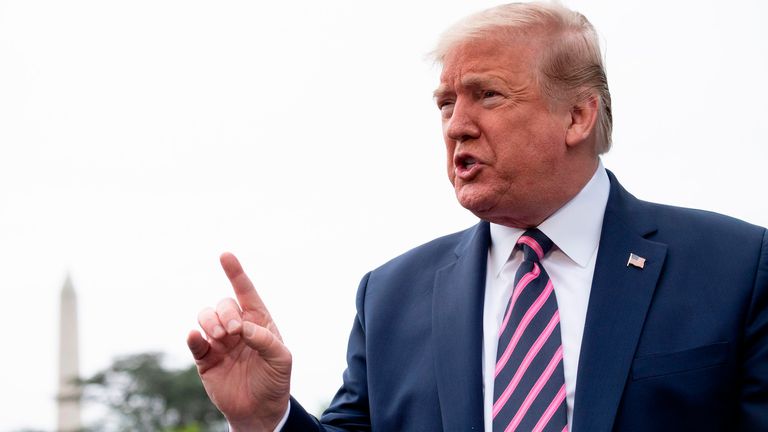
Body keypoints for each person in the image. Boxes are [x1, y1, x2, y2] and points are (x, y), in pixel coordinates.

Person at [187, 2, 768, 431]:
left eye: (487, 95)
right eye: (446, 103)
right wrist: (269, 419)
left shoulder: (735, 270)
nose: (457, 125)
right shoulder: (390, 296)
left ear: (577, 117)